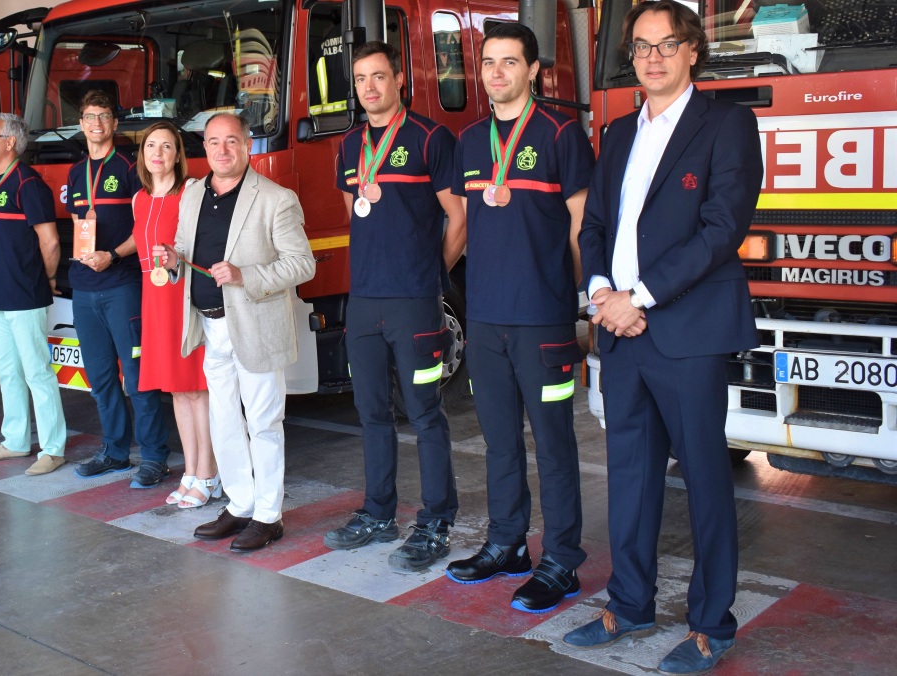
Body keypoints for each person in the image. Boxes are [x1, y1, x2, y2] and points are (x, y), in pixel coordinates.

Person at [564, 2, 763, 673]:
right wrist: (599, 297)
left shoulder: (728, 125)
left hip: (686, 332)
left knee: (706, 481)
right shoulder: (616, 133)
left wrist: (638, 297)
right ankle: (630, 603)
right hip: (621, 334)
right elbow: (593, 226)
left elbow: (721, 227)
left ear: (693, 51)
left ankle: (712, 624)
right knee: (631, 479)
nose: (652, 57)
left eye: (666, 44)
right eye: (642, 46)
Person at [444, 23, 594, 613]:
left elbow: (582, 226)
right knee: (499, 440)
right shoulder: (471, 140)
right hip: (485, 318)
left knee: (554, 442)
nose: (497, 72)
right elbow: (464, 223)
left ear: (534, 70)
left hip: (543, 318)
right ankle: (507, 543)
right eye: (488, 62)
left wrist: (584, 301)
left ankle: (562, 559)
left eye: (510, 62)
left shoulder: (561, 134)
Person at [322, 41, 465, 574]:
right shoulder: (348, 145)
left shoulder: (432, 138)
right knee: (371, 412)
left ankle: (436, 518)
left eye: (379, 76)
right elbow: (353, 213)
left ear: (399, 79)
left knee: (425, 413)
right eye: (361, 79)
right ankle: (378, 512)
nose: (370, 87)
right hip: (363, 302)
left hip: (413, 302)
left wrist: (430, 275)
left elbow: (459, 217)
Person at [153, 113, 314, 552]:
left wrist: (247, 275)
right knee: (224, 419)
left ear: (247, 145)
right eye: (213, 143)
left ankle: (268, 515)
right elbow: (188, 250)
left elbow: (303, 264)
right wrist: (172, 258)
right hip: (210, 326)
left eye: (231, 142)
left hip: (256, 327)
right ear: (203, 148)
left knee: (263, 422)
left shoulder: (275, 198)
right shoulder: (192, 196)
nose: (222, 151)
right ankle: (240, 503)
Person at [63, 90, 172, 489]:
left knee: (138, 376)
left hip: (122, 284)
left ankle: (155, 457)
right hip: (85, 286)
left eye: (104, 116)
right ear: (82, 124)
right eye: (89, 116)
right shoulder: (75, 173)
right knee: (101, 377)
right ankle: (113, 451)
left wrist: (113, 254)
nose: (96, 123)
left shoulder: (129, 167)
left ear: (114, 123)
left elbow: (143, 228)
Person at [0, 113, 69, 476]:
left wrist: (45, 277)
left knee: (37, 372)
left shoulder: (29, 184)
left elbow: (50, 240)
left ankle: (53, 447)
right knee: (7, 371)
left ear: (9, 142)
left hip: (24, 294)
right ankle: (14, 440)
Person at [132, 121, 218, 507]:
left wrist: (177, 258)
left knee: (199, 391)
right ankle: (190, 471)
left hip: (184, 300)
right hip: (155, 301)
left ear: (178, 155)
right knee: (178, 393)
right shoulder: (139, 199)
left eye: (167, 146)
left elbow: (204, 248)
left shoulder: (192, 193)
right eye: (152, 145)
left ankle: (209, 474)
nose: (158, 153)